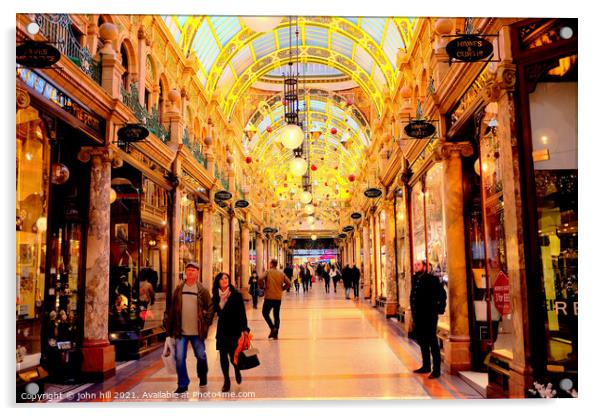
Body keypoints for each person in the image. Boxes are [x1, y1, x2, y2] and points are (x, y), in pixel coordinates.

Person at [165, 262, 214, 393]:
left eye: (193, 270)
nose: (191, 272)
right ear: (185, 273)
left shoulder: (202, 290)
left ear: (197, 273)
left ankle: (202, 375)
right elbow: (172, 309)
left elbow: (210, 308)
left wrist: (206, 323)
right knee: (180, 357)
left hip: (197, 331)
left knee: (201, 356)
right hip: (181, 331)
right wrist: (169, 328)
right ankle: (182, 384)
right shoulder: (179, 289)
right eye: (188, 270)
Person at [212, 272, 249, 392]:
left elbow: (242, 313)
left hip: (234, 329)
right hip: (222, 330)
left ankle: (237, 369)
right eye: (222, 279)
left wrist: (245, 329)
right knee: (223, 355)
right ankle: (226, 380)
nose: (224, 280)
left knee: (233, 355)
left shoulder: (236, 295)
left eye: (226, 278)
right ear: (218, 281)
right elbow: (214, 311)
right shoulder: (215, 296)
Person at [410, 260, 447, 379]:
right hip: (418, 316)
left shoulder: (432, 279)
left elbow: (442, 295)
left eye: (418, 265)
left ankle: (436, 369)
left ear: (425, 267)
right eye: (415, 265)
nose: (416, 267)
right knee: (422, 341)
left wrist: (439, 309)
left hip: (429, 316)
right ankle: (426, 365)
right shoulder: (415, 279)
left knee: (432, 342)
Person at [260, 259, 291, 339]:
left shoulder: (268, 272)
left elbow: (260, 278)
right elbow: (289, 283)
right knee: (276, 315)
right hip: (278, 297)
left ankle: (272, 328)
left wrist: (262, 287)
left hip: (269, 297)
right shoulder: (281, 273)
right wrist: (282, 289)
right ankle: (275, 333)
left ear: (271, 264)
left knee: (265, 313)